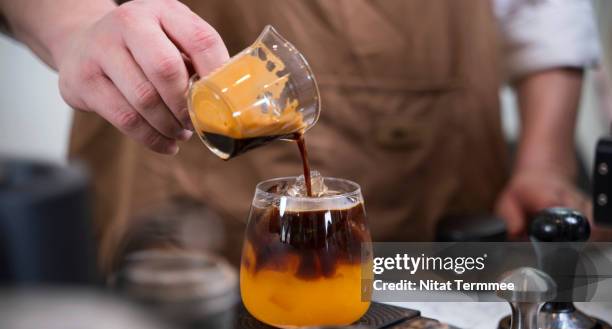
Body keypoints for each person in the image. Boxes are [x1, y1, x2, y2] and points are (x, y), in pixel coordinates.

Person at [0, 0, 604, 271]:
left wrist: (545, 160)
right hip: (192, 205)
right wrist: (76, 25)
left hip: (440, 184)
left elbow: (543, 10)